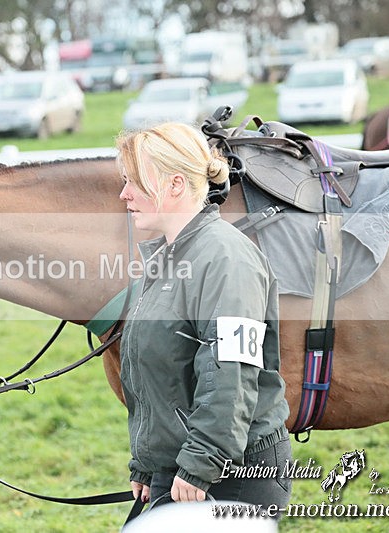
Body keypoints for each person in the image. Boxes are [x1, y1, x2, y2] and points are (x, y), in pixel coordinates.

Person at [116, 122, 292, 513]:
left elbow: (232, 373)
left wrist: (201, 463)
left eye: (134, 182)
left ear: (175, 184)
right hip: (182, 468)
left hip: (231, 475)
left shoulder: (227, 260)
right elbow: (166, 372)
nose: (124, 194)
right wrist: (149, 464)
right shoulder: (167, 258)